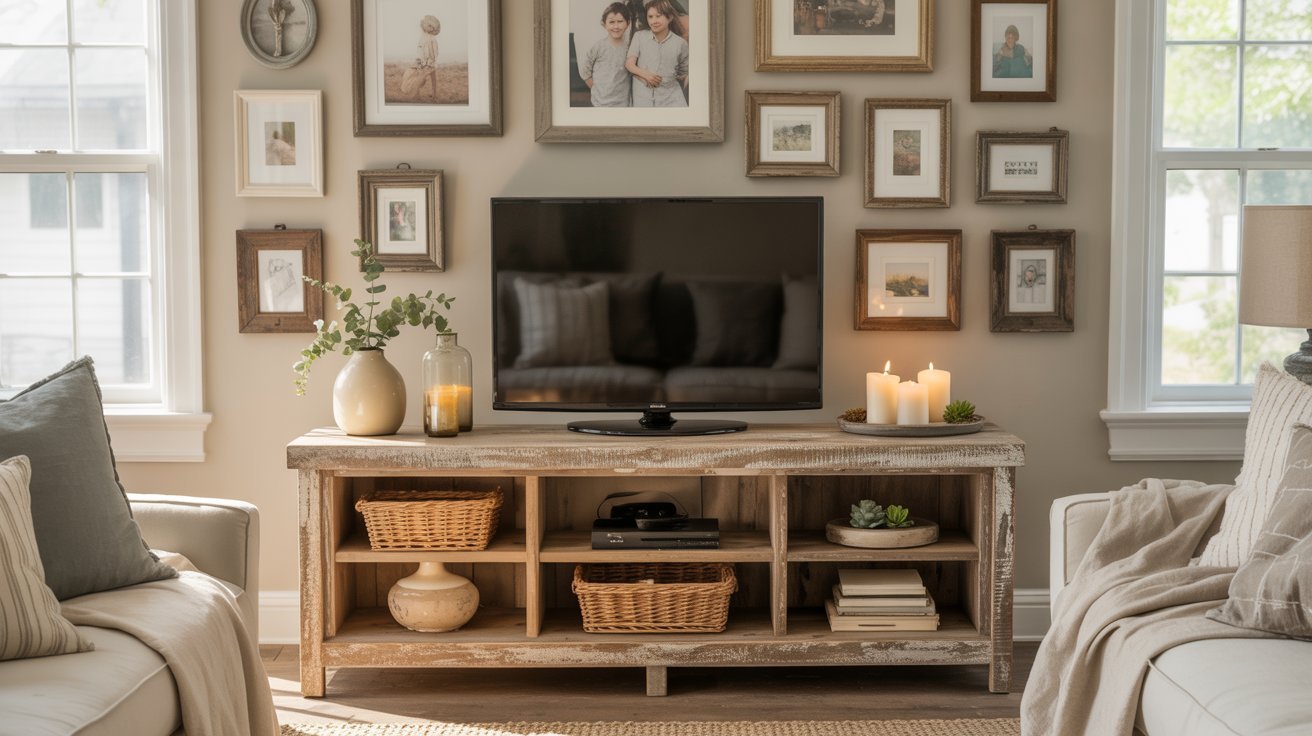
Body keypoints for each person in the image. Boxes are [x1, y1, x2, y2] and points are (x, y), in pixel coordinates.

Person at [626, 0, 689, 108]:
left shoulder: (680, 43)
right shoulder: (639, 37)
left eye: (658, 16)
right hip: (643, 98)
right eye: (650, 17)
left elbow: (683, 72)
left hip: (671, 98)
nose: (654, 21)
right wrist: (645, 75)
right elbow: (629, 64)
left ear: (670, 18)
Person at [579, 3, 633, 107]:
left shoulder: (630, 48)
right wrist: (597, 89)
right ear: (604, 24)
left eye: (620, 21)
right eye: (611, 22)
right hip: (600, 103)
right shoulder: (598, 47)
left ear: (628, 23)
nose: (616, 26)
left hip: (622, 104)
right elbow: (585, 71)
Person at [401, 14, 441, 101]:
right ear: (425, 26)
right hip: (423, 62)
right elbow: (420, 49)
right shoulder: (422, 37)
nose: (430, 28)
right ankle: (416, 94)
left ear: (434, 28)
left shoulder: (433, 39)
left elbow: (435, 52)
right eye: (428, 25)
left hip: (431, 63)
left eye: (432, 26)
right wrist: (419, 59)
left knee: (433, 79)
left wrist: (431, 61)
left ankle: (434, 95)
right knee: (419, 78)